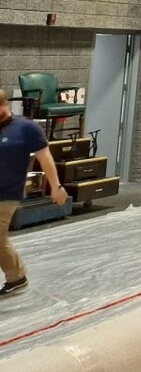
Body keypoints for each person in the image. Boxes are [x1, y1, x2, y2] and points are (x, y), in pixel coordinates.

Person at [0, 90, 68, 296]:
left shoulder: (26, 128)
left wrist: (56, 187)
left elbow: (45, 157)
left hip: (7, 195)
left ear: (3, 106)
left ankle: (17, 276)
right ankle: (17, 276)